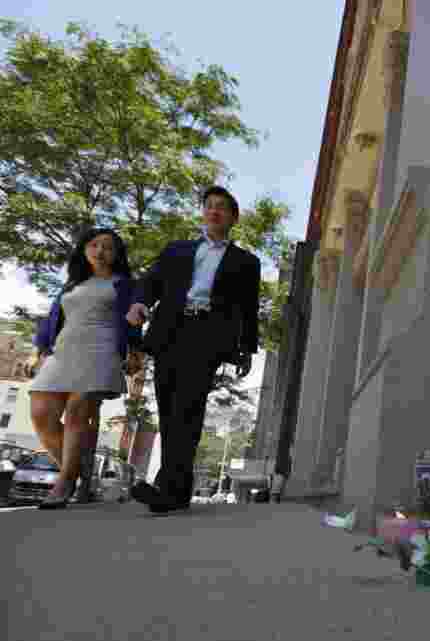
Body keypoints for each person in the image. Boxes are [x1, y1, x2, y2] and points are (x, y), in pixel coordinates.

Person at [127, 186, 260, 515]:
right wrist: (140, 303)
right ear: (203, 212)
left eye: (222, 208)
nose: (214, 212)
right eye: (209, 206)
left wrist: (245, 350)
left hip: (207, 336)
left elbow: (248, 308)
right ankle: (177, 488)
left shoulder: (245, 262)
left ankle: (168, 488)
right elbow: (151, 281)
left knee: (188, 406)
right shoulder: (178, 250)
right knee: (170, 407)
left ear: (233, 218)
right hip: (171, 331)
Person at [29, 228, 143, 509]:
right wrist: (36, 353)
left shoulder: (124, 284)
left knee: (78, 411)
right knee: (41, 413)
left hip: (102, 350)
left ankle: (64, 481)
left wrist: (135, 353)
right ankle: (77, 471)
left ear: (117, 255)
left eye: (108, 247)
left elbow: (134, 321)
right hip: (63, 350)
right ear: (84, 249)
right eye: (95, 245)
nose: (100, 251)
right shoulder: (71, 284)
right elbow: (50, 321)